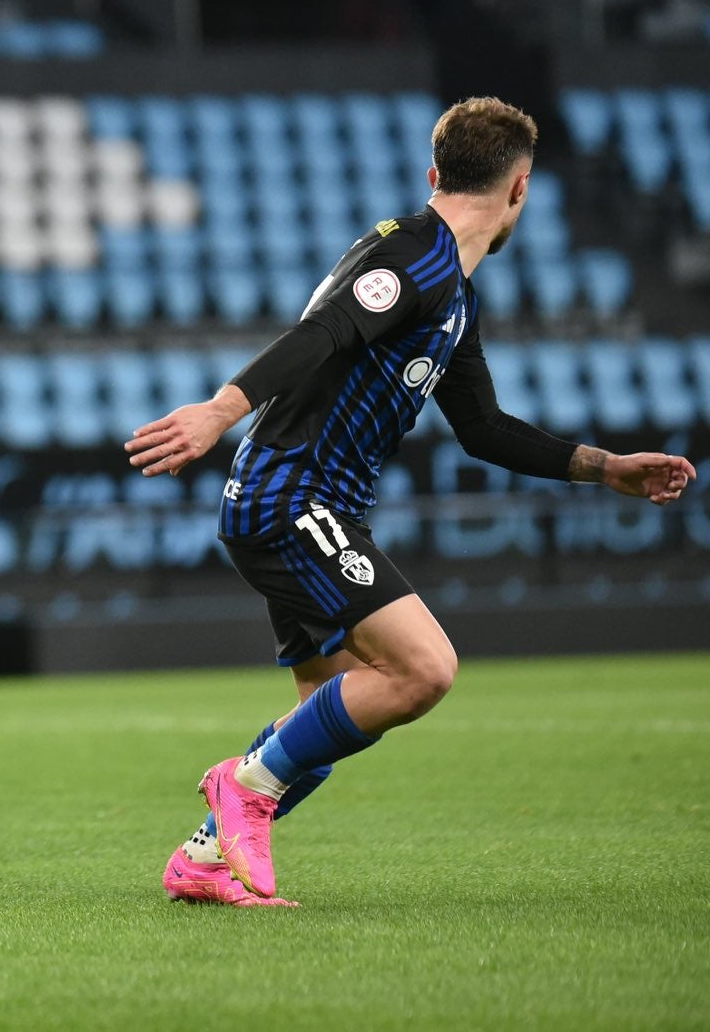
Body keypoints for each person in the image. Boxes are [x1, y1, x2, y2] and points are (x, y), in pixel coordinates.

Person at [125, 97, 696, 907]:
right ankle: (243, 787)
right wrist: (223, 408)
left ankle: (204, 860)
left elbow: (483, 428)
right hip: (294, 495)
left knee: (325, 721)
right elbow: (323, 334)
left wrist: (604, 468)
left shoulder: (453, 291)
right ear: (520, 189)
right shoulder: (415, 259)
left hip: (304, 499)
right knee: (425, 670)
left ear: (437, 172)